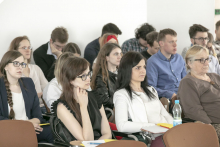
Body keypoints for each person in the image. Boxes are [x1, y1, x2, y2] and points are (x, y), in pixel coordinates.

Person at [113, 51, 173, 146]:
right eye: (138, 68)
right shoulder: (121, 94)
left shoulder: (151, 90)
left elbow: (165, 115)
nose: (143, 71)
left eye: (144, 67)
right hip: (151, 136)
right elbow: (122, 126)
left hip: (165, 133)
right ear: (127, 70)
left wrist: (174, 128)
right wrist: (150, 126)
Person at [51, 57, 111, 142]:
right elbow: (87, 140)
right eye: (83, 76)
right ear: (70, 80)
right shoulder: (62, 107)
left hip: (100, 144)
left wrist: (97, 145)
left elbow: (107, 133)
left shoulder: (94, 96)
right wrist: (83, 106)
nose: (88, 78)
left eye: (88, 74)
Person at [0, 51, 53, 143]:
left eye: (22, 64)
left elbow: (37, 114)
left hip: (30, 128)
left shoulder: (28, 83)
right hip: (8, 131)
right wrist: (25, 124)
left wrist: (32, 124)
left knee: (53, 132)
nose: (20, 67)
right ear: (5, 66)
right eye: (16, 63)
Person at [178, 45, 220, 142]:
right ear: (190, 63)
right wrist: (209, 128)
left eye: (207, 59)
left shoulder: (215, 76)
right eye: (201, 60)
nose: (206, 63)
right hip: (212, 125)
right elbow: (193, 109)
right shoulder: (188, 82)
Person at [9, 36, 48, 113]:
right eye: (24, 48)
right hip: (23, 110)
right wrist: (37, 95)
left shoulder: (36, 68)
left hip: (42, 109)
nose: (28, 50)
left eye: (29, 47)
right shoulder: (13, 71)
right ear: (15, 50)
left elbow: (47, 89)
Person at [146, 29, 186, 103]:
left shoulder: (179, 58)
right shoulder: (152, 62)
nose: (175, 45)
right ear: (161, 43)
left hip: (184, 95)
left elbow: (186, 80)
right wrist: (170, 94)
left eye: (176, 41)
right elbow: (151, 88)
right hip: (166, 99)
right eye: (171, 42)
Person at [91, 43, 122, 120]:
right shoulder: (100, 77)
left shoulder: (122, 74)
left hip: (122, 108)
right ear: (106, 57)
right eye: (116, 54)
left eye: (120, 53)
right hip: (109, 114)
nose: (119, 57)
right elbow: (105, 102)